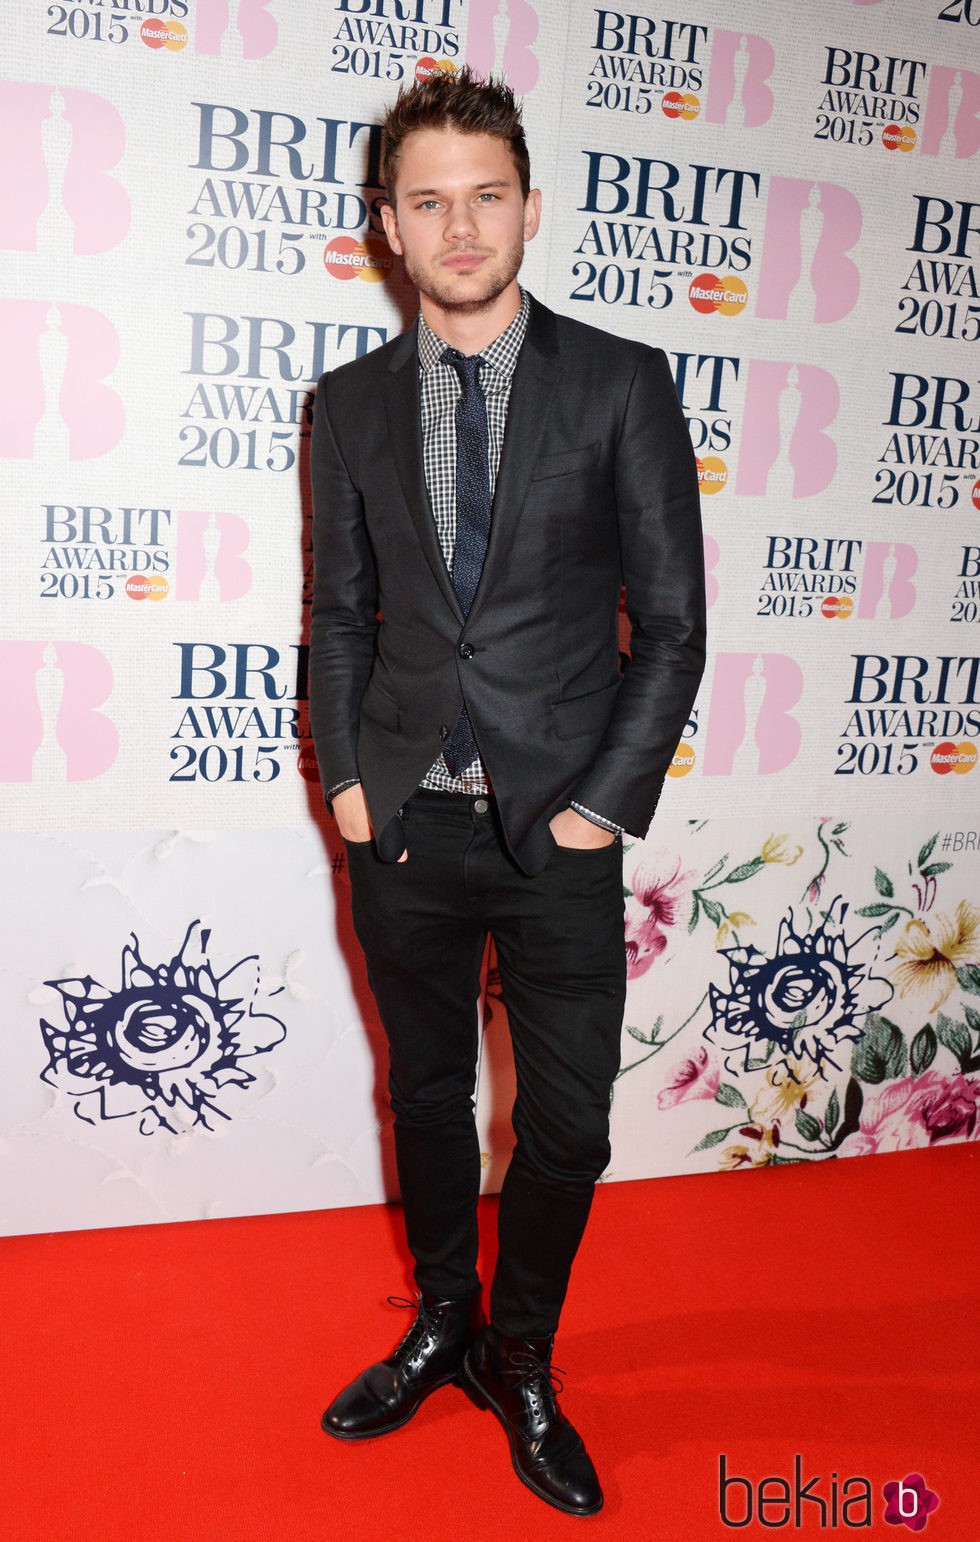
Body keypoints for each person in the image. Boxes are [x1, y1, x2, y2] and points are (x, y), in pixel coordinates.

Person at [309, 67, 705, 1518]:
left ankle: (518, 1356)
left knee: (571, 1123)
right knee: (420, 1092)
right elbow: (341, 613)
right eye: (430, 201)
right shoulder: (346, 404)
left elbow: (670, 625)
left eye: (487, 195)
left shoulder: (620, 381)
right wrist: (348, 775)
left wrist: (603, 804)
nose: (461, 224)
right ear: (389, 231)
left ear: (529, 208)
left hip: (563, 828)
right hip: (403, 818)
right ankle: (439, 1323)